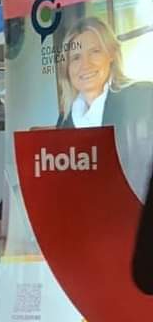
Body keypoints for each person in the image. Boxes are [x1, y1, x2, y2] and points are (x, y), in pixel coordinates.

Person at [57, 15, 153, 198]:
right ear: (67, 69)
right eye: (76, 57)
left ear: (111, 55)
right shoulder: (65, 121)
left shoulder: (143, 96)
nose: (85, 65)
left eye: (95, 51)